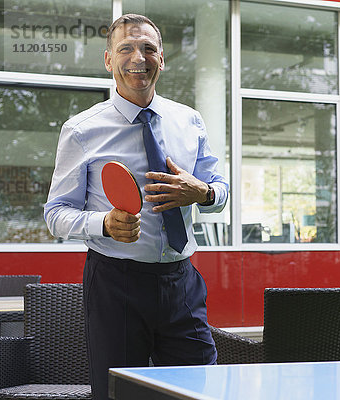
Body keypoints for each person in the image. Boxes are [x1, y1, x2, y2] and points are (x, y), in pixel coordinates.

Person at [44, 14, 228, 400]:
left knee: (203, 391)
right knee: (119, 394)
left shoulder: (189, 121)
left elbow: (220, 190)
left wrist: (204, 193)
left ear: (161, 58)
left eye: (147, 48)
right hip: (116, 283)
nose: (137, 58)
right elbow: (56, 215)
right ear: (108, 60)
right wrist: (104, 223)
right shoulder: (81, 129)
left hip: (182, 281)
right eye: (126, 48)